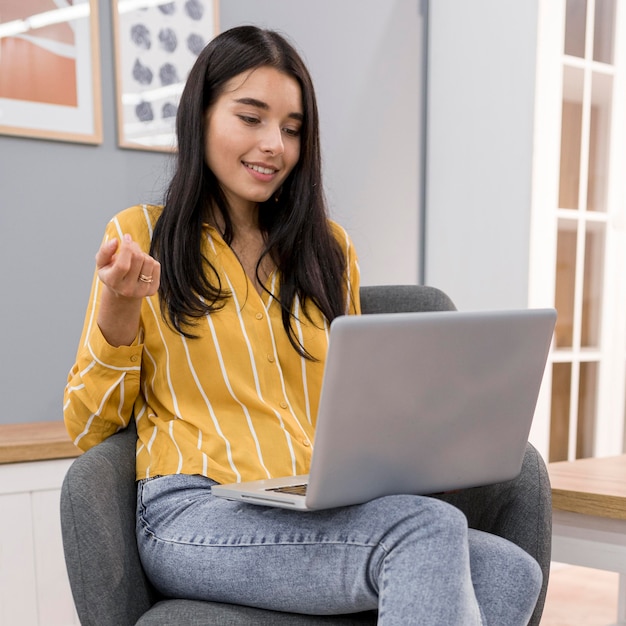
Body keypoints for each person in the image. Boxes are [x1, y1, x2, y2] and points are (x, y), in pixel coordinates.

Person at [64, 25, 542, 625]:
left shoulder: (328, 250)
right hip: (191, 511)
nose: (275, 145)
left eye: (292, 129)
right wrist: (119, 308)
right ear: (201, 115)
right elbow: (89, 429)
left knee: (511, 570)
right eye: (251, 117)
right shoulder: (141, 236)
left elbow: (361, 405)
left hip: (306, 502)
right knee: (425, 530)